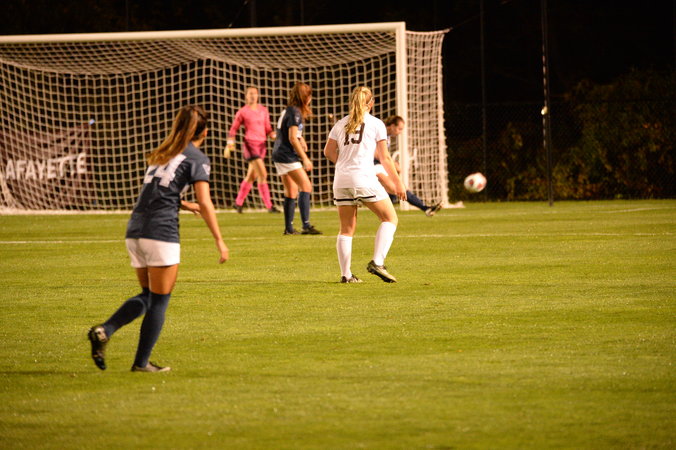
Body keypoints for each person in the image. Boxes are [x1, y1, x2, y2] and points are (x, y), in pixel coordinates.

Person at [87, 105, 229, 373]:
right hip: (160, 232)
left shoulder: (164, 152)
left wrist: (183, 204)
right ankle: (131, 354)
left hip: (135, 230)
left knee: (148, 296)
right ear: (205, 132)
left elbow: (158, 189)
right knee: (159, 300)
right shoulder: (197, 158)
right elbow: (206, 202)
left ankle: (109, 335)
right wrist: (219, 240)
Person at [323, 86, 406, 283]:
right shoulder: (376, 124)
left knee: (346, 229)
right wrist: (398, 183)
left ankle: (346, 275)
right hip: (364, 178)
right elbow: (385, 158)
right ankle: (377, 262)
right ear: (371, 103)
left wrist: (344, 164)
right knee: (390, 218)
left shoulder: (340, 124)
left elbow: (328, 152)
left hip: (341, 180)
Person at [271, 82, 322, 235]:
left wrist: (301, 139)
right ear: (304, 97)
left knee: (291, 190)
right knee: (306, 186)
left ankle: (289, 228)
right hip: (286, 154)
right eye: (309, 95)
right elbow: (292, 137)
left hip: (279, 153)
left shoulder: (289, 110)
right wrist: (305, 158)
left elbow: (289, 132)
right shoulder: (295, 112)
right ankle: (306, 226)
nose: (310, 98)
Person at [375, 115, 443, 216]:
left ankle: (425, 208)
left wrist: (392, 164)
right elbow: (375, 153)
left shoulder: (386, 136)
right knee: (395, 187)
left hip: (377, 165)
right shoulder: (379, 132)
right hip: (369, 165)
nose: (400, 132)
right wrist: (392, 163)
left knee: (399, 187)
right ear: (392, 126)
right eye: (399, 129)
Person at [226, 86, 279, 213]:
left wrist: (275, 136)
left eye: (255, 93)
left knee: (251, 176)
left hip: (262, 145)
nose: (253, 96)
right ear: (246, 96)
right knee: (263, 174)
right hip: (250, 145)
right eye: (250, 94)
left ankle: (238, 203)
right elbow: (233, 130)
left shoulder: (264, 110)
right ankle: (269, 206)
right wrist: (230, 145)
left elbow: (268, 128)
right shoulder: (242, 112)